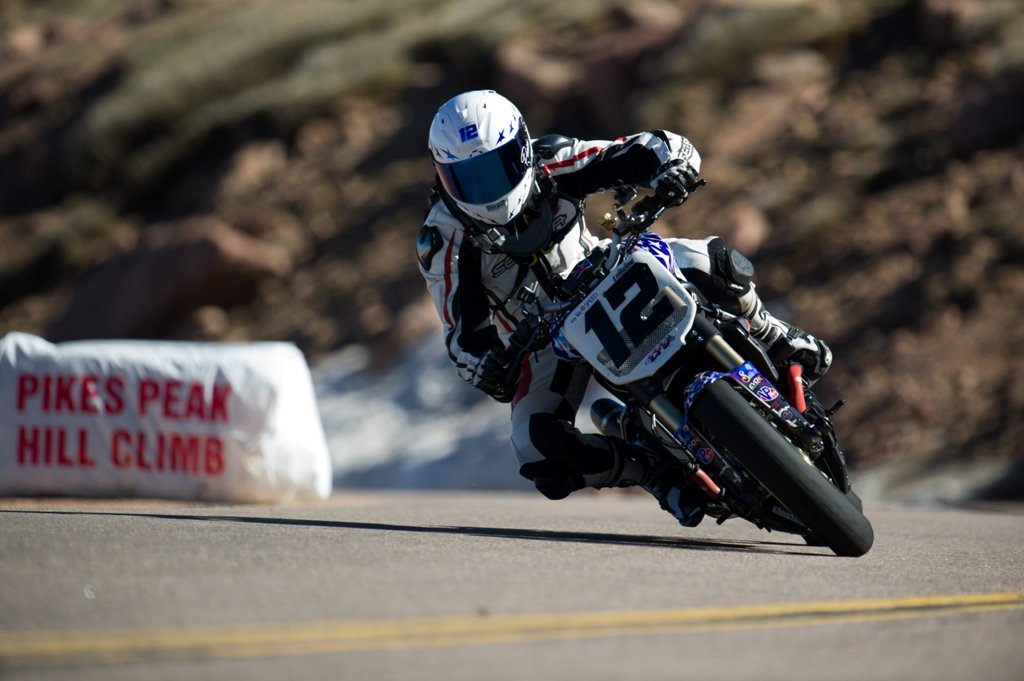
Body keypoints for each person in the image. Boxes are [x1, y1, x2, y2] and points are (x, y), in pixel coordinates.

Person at [416, 90, 831, 527]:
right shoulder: (442, 239)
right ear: (441, 175)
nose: (485, 191)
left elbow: (648, 147)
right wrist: (487, 365)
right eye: (466, 179)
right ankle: (651, 469)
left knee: (713, 261)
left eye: (495, 169)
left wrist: (671, 168)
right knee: (536, 447)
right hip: (547, 338)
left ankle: (773, 335)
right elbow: (462, 332)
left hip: (609, 272)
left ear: (521, 148)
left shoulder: (553, 162)